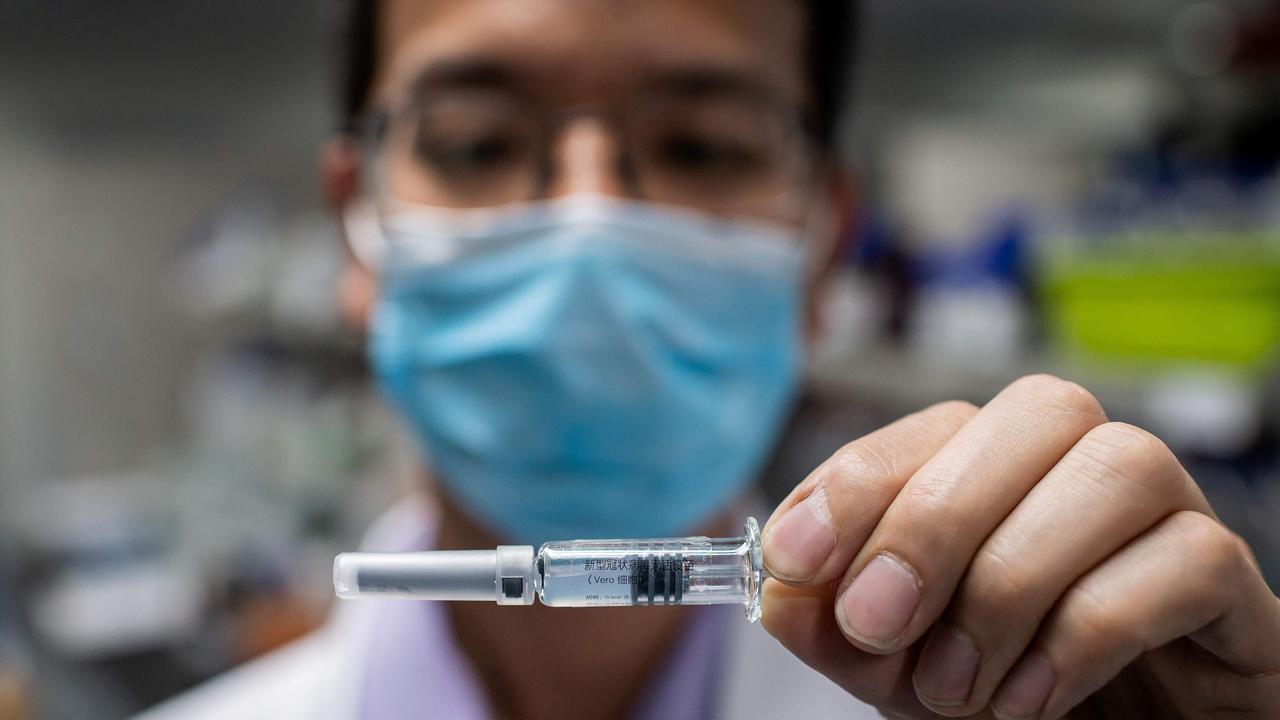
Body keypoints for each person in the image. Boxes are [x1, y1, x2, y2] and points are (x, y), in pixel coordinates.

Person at [141, 1, 1280, 718]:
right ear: (359, 223)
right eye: (478, 142)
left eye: (698, 146)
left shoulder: (993, 706)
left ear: (823, 238)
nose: (586, 223)